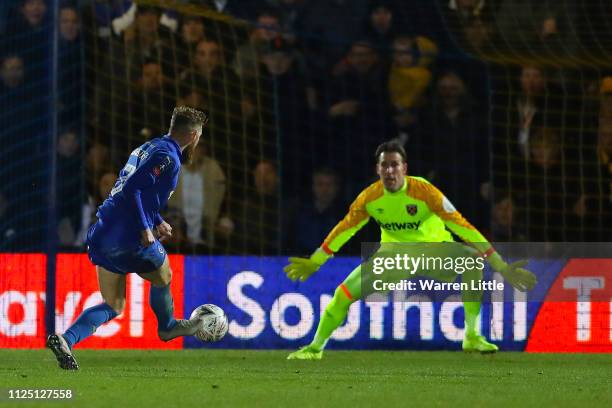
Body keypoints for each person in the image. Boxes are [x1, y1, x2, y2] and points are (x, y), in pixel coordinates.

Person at [284, 141, 537, 360]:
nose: (390, 170)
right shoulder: (369, 198)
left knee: (472, 262)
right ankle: (315, 348)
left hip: (435, 252)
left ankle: (472, 335)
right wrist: (316, 261)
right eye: (385, 165)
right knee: (342, 294)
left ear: (404, 168)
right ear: (378, 170)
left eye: (395, 165)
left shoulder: (425, 192)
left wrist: (501, 265)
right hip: (394, 257)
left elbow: (465, 228)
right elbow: (344, 230)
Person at [46, 106, 209, 370]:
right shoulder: (168, 156)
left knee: (114, 303)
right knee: (164, 274)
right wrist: (146, 228)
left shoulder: (149, 147)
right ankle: (167, 327)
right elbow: (133, 189)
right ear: (192, 136)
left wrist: (157, 221)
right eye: (199, 137)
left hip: (102, 232)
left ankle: (66, 340)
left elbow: (132, 188)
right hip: (128, 234)